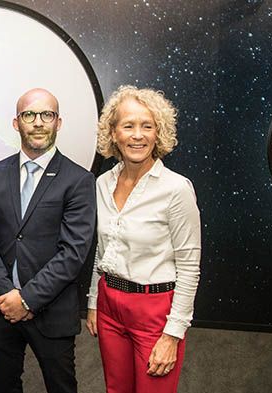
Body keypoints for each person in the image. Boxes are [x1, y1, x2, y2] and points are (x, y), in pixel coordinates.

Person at [0, 88, 96, 393]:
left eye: (47, 115)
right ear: (17, 123)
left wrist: (27, 299)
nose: (38, 122)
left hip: (51, 311)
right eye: (29, 115)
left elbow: (73, 252)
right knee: (5, 386)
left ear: (58, 122)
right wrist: (6, 296)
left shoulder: (78, 180)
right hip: (1, 308)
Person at [86, 85, 201, 393]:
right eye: (128, 125)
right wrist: (95, 303)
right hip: (110, 303)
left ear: (157, 133)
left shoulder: (175, 189)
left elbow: (189, 267)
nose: (137, 135)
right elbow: (102, 249)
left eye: (146, 126)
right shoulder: (102, 184)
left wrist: (173, 335)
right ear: (113, 133)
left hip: (155, 311)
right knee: (116, 390)